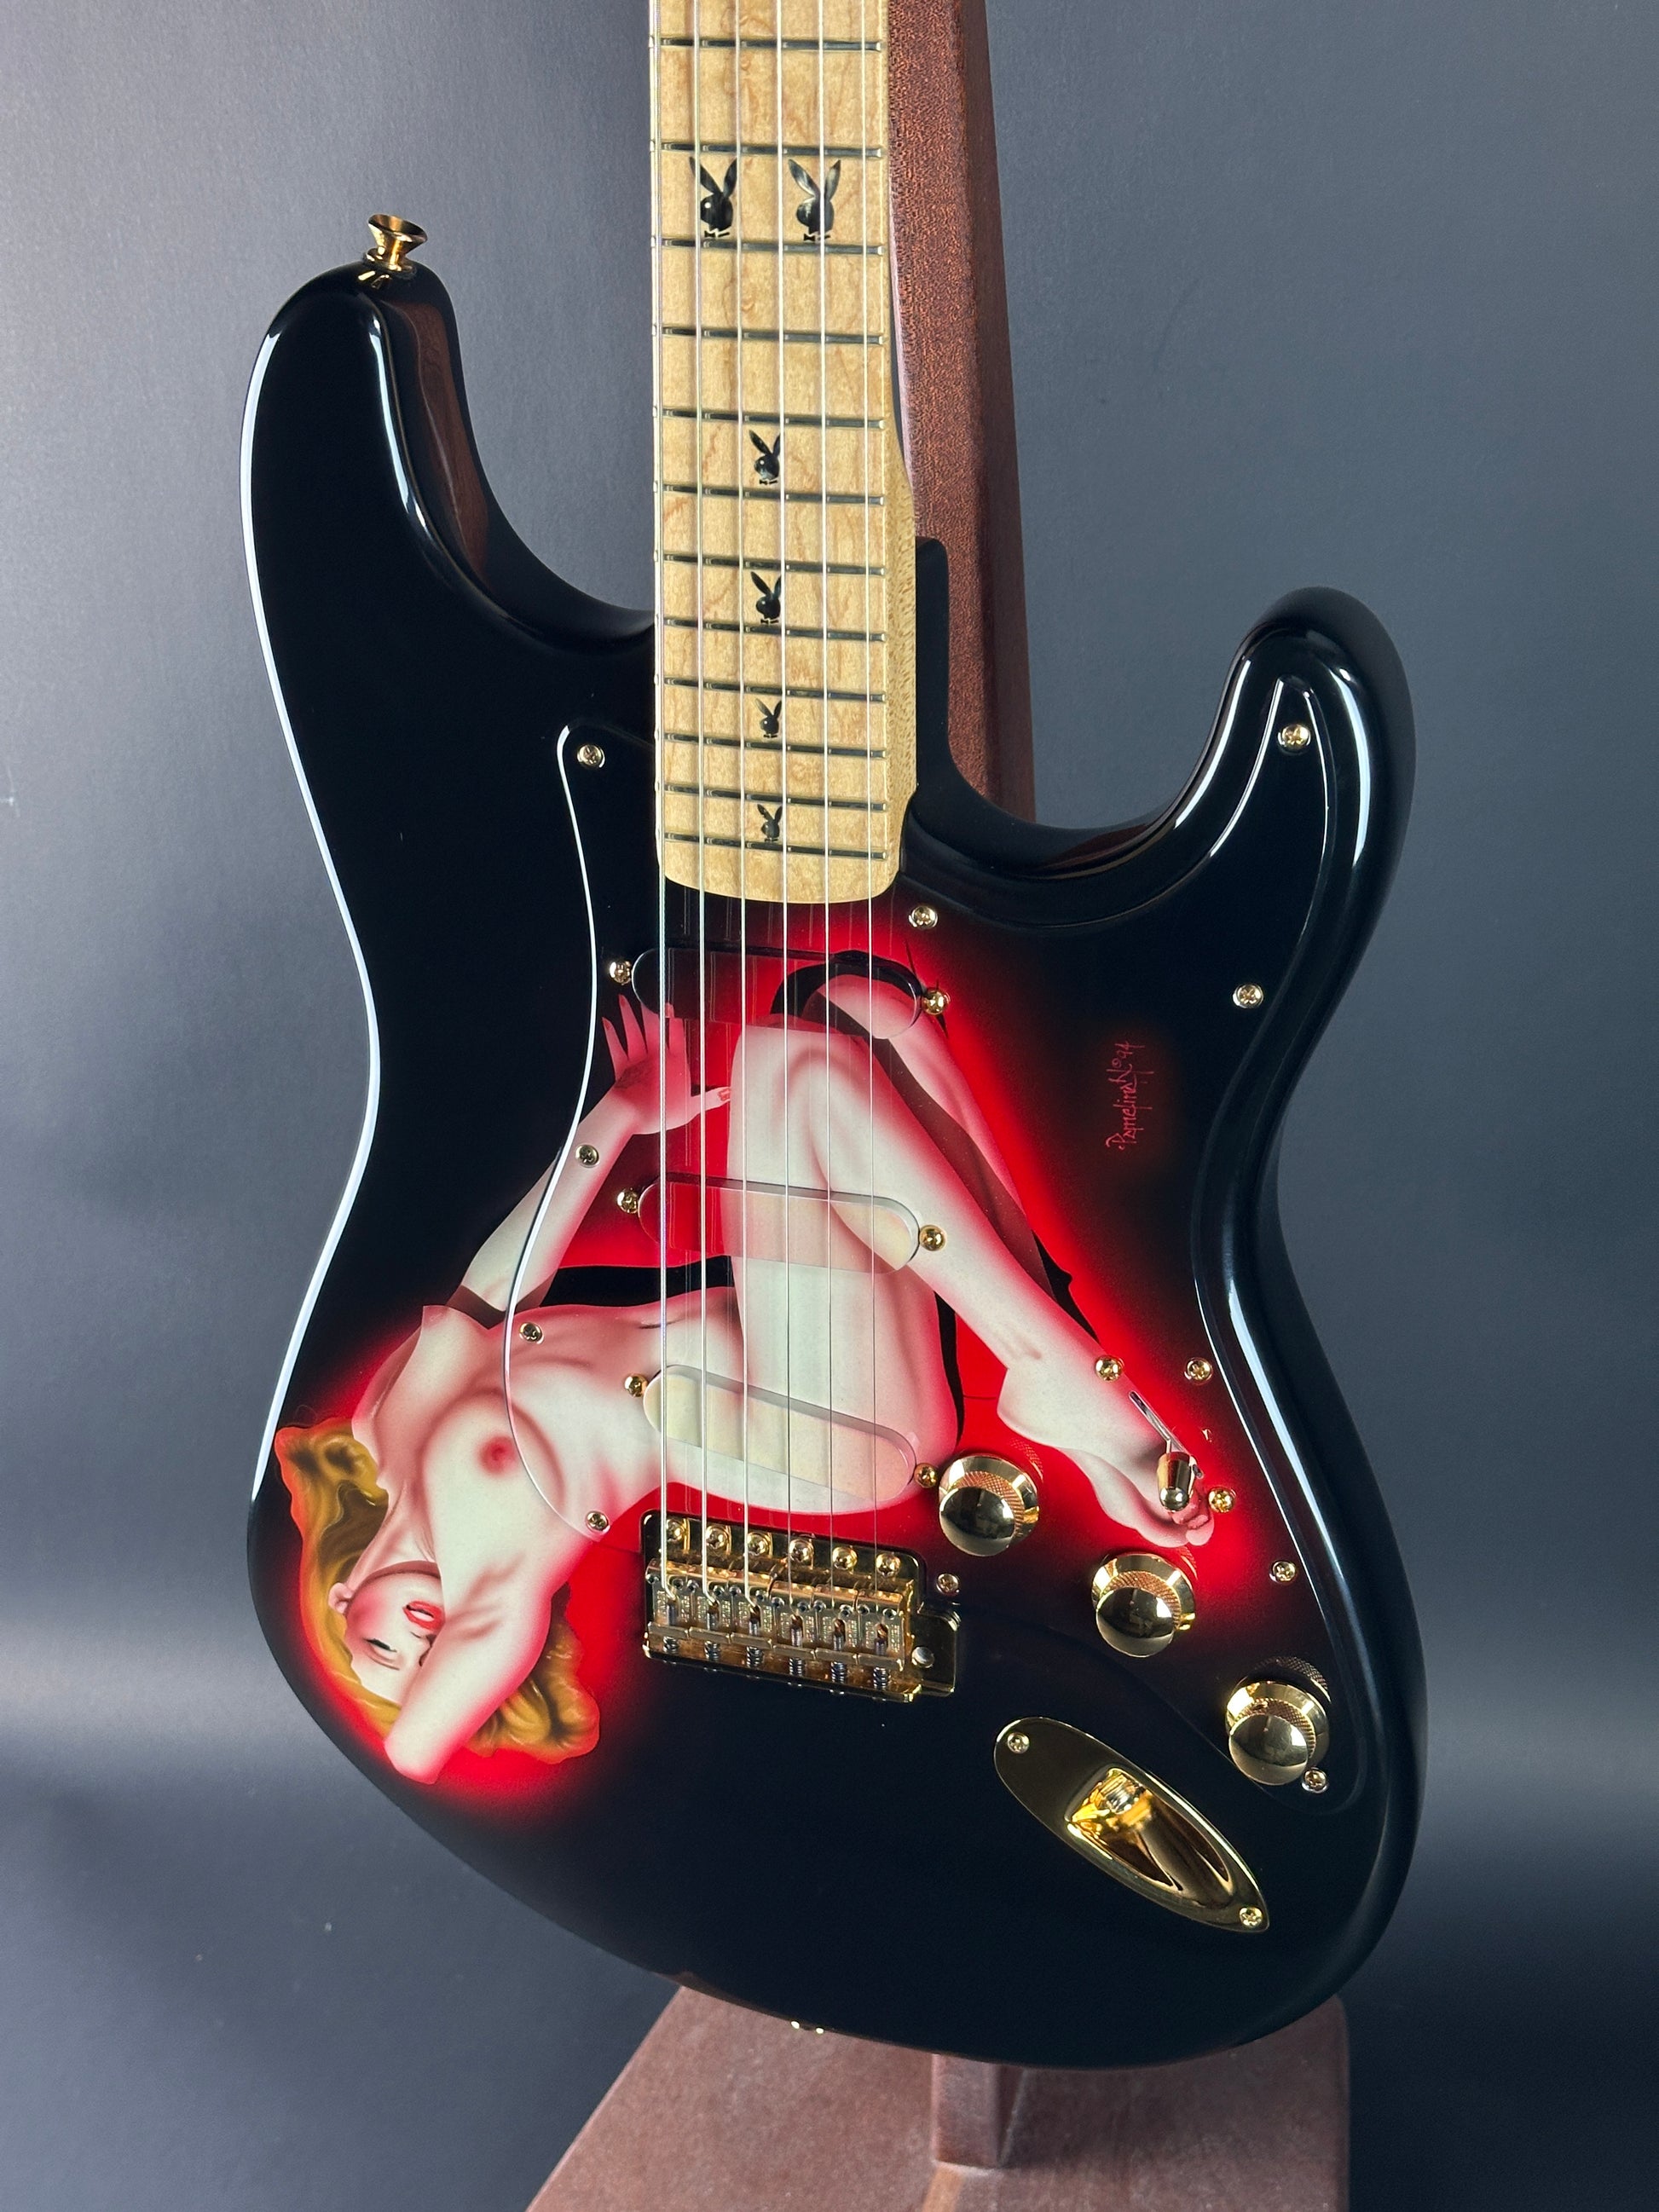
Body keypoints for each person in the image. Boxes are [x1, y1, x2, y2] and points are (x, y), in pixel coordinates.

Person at [279, 973, 1207, 1786]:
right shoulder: (494, 1595)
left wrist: (622, 1112)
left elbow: (498, 1285)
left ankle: (1049, 1338)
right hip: (817, 1432)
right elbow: (411, 1754)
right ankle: (1056, 1366)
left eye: (383, 1648)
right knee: (798, 1073)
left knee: (838, 1025)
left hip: (789, 1331)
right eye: (431, 1663)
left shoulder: (382, 1423)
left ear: (337, 1598)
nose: (423, 1637)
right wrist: (420, 1681)